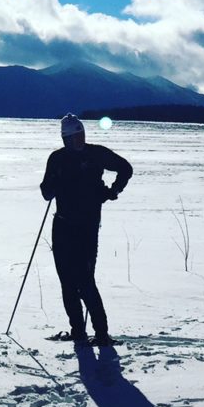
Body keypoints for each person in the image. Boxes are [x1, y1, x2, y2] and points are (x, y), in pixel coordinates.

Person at [40, 113, 133, 346]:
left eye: (81, 135)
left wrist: (113, 191)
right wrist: (55, 182)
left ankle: (101, 333)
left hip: (87, 227)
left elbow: (126, 168)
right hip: (62, 226)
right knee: (67, 282)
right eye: (74, 137)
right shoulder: (57, 159)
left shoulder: (96, 154)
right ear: (65, 139)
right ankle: (78, 332)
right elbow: (46, 193)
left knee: (84, 280)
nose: (79, 140)